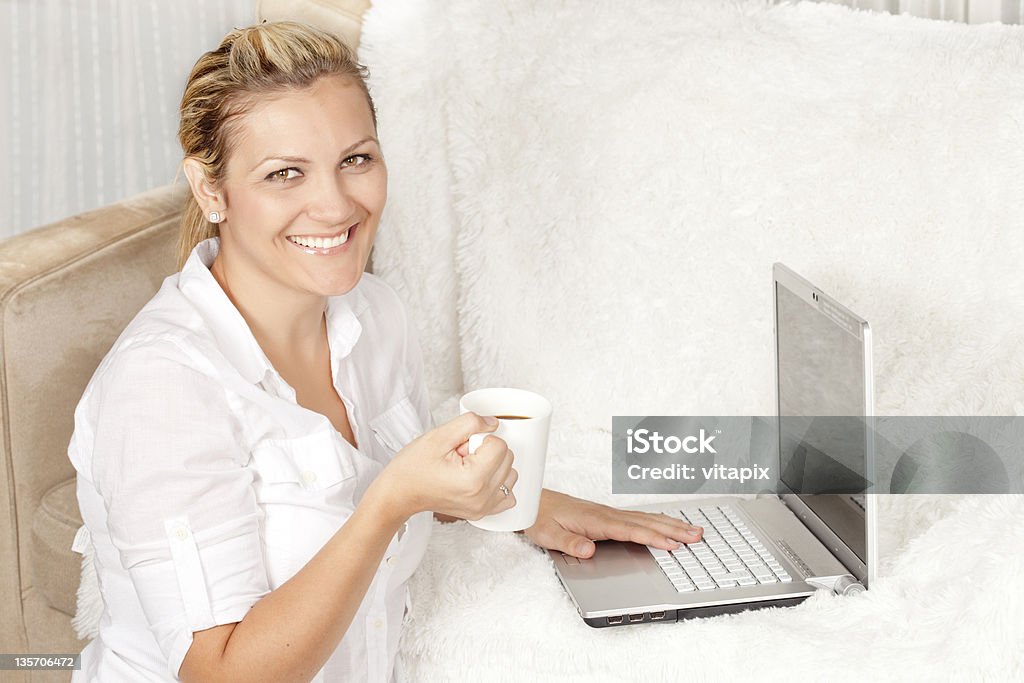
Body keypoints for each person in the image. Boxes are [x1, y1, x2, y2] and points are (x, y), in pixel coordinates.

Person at [68, 21, 702, 683]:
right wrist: (390, 503)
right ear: (211, 190)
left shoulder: (375, 315)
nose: (336, 203)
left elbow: (366, 478)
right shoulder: (163, 387)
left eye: (356, 159)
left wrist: (520, 501)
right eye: (285, 174)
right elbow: (219, 673)